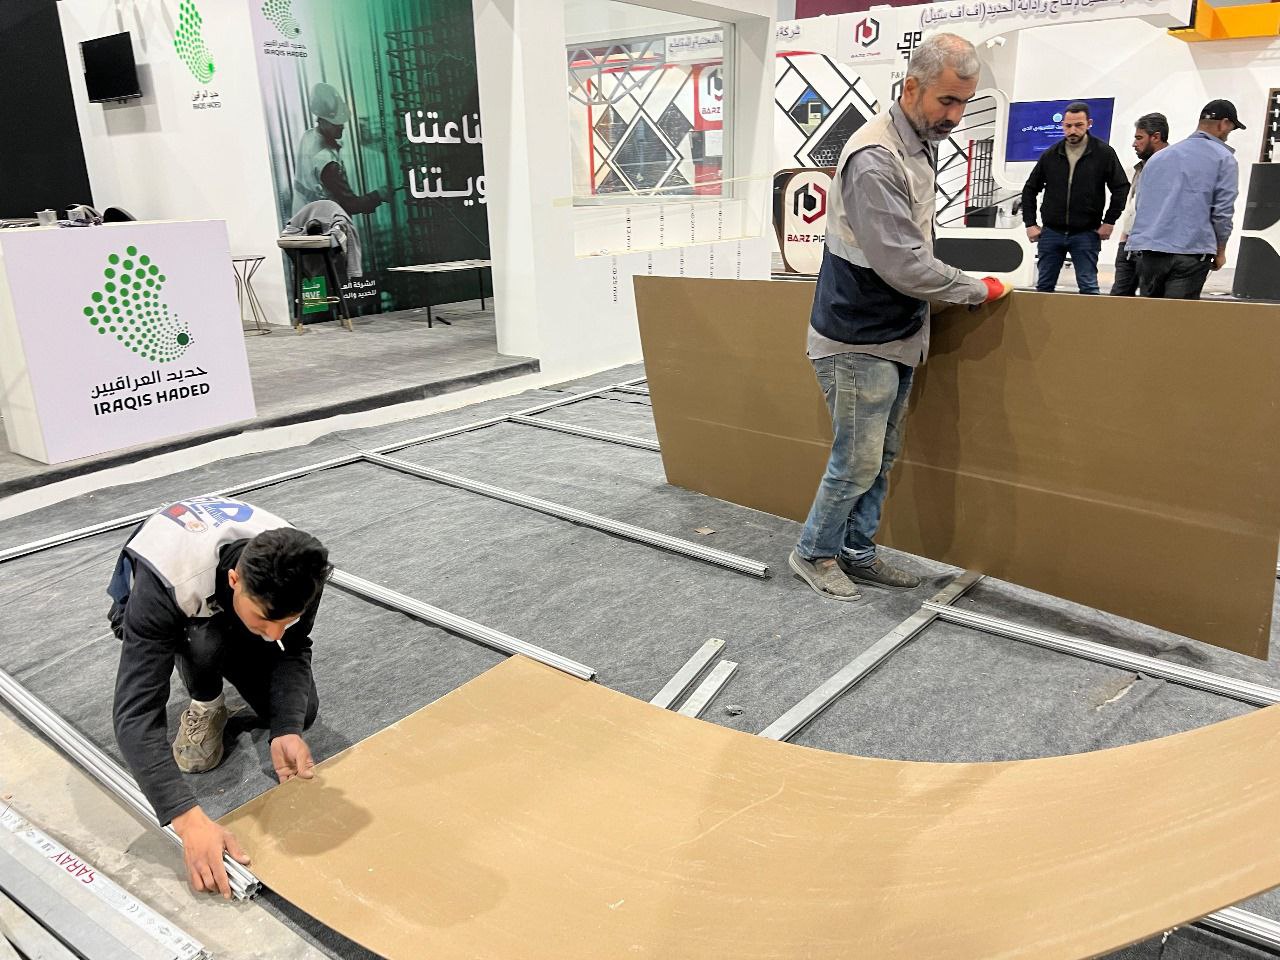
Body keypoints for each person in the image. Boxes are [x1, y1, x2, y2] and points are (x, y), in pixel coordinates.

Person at [788, 33, 1012, 602]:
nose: (955, 116)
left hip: (894, 330)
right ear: (912, 87)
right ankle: (814, 553)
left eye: (964, 103)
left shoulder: (919, 141)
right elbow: (903, 264)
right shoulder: (875, 157)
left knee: (880, 458)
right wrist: (976, 289)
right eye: (947, 101)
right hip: (855, 334)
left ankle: (857, 553)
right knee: (856, 461)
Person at [106, 497, 331, 898]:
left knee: (301, 710)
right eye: (266, 618)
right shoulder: (168, 582)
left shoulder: (302, 570)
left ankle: (236, 637)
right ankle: (206, 700)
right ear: (234, 580)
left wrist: (286, 727)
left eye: (286, 620)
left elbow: (293, 647)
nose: (276, 634)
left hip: (224, 598)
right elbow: (135, 714)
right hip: (168, 588)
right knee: (202, 641)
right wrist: (187, 820)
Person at [1126, 99, 1242, 300]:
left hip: (1150, 252)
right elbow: (1222, 212)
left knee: (1149, 315)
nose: (1228, 134)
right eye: (1230, 129)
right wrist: (1220, 251)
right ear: (1224, 124)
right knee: (1179, 317)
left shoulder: (1158, 158)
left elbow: (1141, 204)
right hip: (1190, 253)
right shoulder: (1224, 159)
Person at [1021, 101, 1130, 294]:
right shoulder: (1051, 155)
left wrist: (1109, 221)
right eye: (1068, 125)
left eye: (1078, 125)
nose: (1072, 130)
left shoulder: (1103, 153)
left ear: (1089, 123)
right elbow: (1030, 189)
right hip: (1051, 232)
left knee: (1088, 287)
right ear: (1062, 125)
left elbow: (1121, 187)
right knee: (1044, 287)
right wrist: (1030, 223)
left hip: (1086, 233)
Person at [291, 82, 387, 217]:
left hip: (304, 215)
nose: (342, 126)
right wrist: (379, 195)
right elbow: (351, 205)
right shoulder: (327, 162)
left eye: (341, 122)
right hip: (320, 221)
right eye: (335, 123)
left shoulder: (308, 136)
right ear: (321, 120)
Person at [1110, 113, 1169, 296]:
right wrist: (1124, 239)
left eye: (1139, 138)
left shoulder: (1172, 167)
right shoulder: (1141, 167)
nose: (1134, 144)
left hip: (1154, 249)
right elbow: (1134, 206)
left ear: (1156, 137)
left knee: (1148, 303)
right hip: (1129, 245)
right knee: (1116, 301)